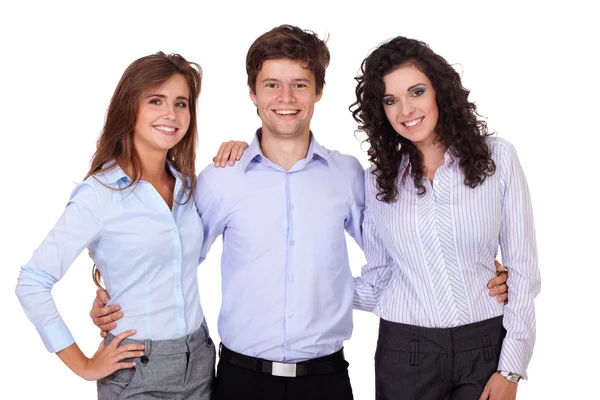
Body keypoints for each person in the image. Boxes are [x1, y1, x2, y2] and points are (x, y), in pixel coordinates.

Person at [90, 26, 509, 400]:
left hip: (324, 380)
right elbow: (171, 258)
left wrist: (469, 272)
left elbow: (399, 251)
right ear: (252, 93)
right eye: (271, 85)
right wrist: (110, 291)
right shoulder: (222, 178)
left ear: (318, 91)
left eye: (300, 85)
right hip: (240, 380)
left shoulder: (348, 176)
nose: (286, 99)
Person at [15, 52, 217, 399]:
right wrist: (84, 365)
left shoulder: (187, 187)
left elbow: (178, 263)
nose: (171, 114)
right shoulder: (99, 194)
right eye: (156, 101)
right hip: (136, 370)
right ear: (130, 109)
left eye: (181, 103)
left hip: (199, 362)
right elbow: (32, 282)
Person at [351, 36, 541, 400]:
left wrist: (512, 368)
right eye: (390, 100)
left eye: (417, 91)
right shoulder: (377, 180)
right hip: (405, 352)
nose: (406, 110)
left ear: (440, 91)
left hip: (485, 347)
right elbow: (380, 280)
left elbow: (523, 273)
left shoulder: (497, 159)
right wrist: (305, 290)